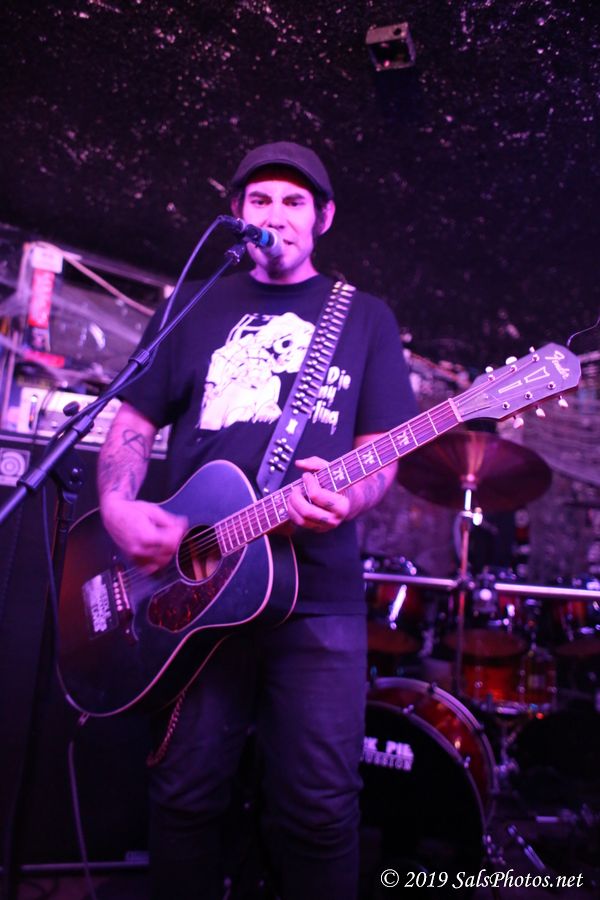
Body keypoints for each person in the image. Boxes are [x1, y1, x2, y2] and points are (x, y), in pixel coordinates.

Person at [97, 141, 418, 900]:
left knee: (319, 810)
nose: (277, 214)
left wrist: (348, 498)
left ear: (323, 217)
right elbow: (132, 422)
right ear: (239, 214)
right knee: (184, 795)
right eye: (261, 201)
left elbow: (381, 452)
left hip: (317, 596)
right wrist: (116, 507)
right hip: (191, 590)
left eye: (294, 201)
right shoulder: (196, 303)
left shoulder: (365, 318)